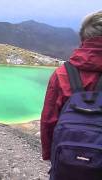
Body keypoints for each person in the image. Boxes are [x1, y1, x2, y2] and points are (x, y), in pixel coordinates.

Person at [40, 10, 102, 170]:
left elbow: (48, 121)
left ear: (83, 39)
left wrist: (50, 156)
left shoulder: (62, 73)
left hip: (67, 163)